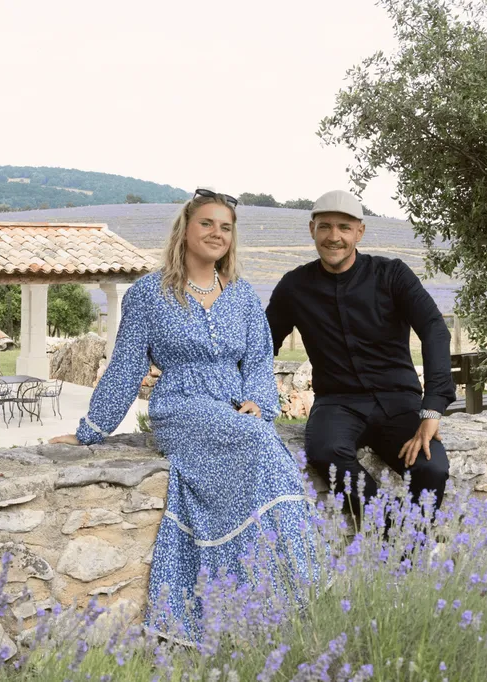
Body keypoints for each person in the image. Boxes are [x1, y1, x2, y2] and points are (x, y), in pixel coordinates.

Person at [50, 189, 323, 644]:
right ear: (185, 229)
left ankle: (265, 598)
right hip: (181, 406)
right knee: (260, 444)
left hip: (233, 408)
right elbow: (125, 367)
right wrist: (89, 433)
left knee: (260, 440)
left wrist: (261, 401)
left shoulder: (241, 296)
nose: (217, 233)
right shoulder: (149, 295)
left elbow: (257, 361)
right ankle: (298, 585)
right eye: (207, 224)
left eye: (226, 227)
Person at [265, 190, 456, 518]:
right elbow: (263, 344)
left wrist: (432, 410)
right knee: (325, 451)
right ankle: (396, 533)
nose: (334, 237)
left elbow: (435, 330)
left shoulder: (392, 274)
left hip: (399, 403)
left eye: (344, 227)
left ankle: (400, 553)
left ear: (359, 232)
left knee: (432, 469)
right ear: (312, 230)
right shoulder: (294, 287)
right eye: (325, 227)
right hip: (338, 404)